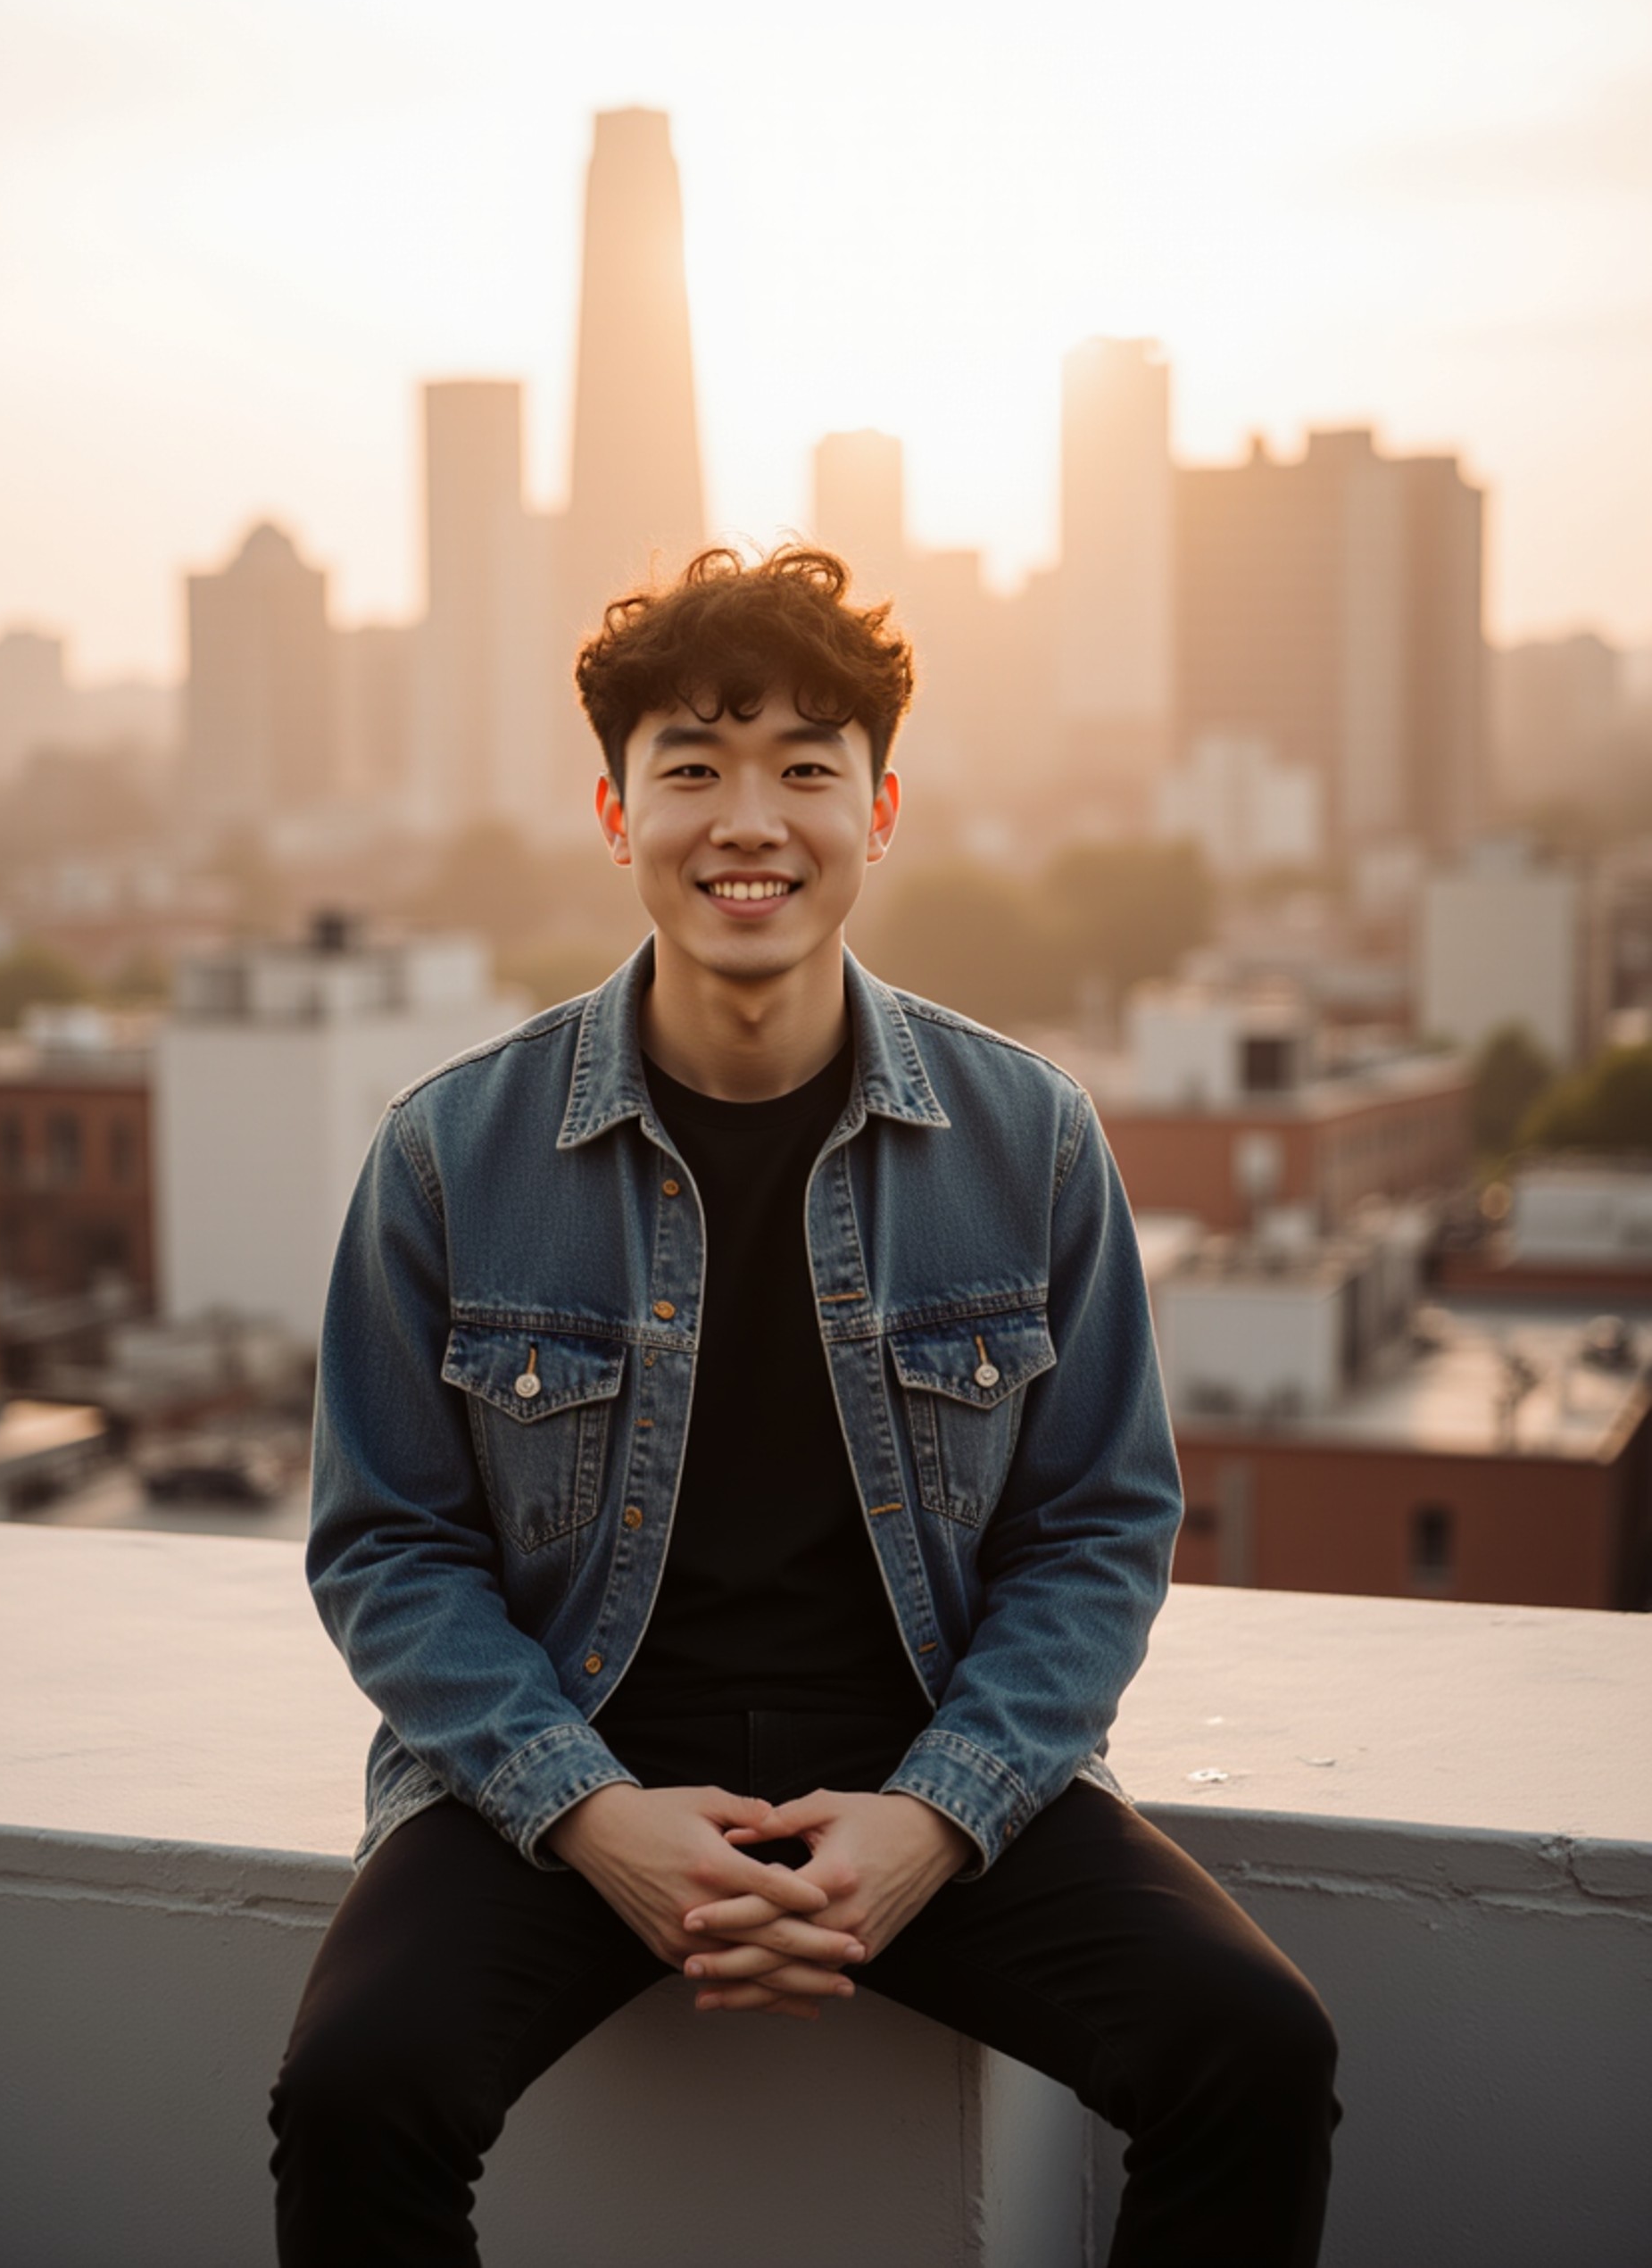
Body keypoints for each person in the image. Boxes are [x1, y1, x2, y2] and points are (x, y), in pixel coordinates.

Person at [269, 545, 1340, 2266]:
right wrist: (588, 1814)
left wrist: (940, 1818)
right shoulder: (450, 1153)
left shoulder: (1031, 1138)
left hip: (925, 1750)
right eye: (690, 768)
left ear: (881, 808)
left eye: (803, 770)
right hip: (570, 1773)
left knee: (1256, 2051)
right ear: (617, 816)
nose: (746, 821)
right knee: (355, 2094)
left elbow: (1100, 1528)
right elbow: (388, 1546)